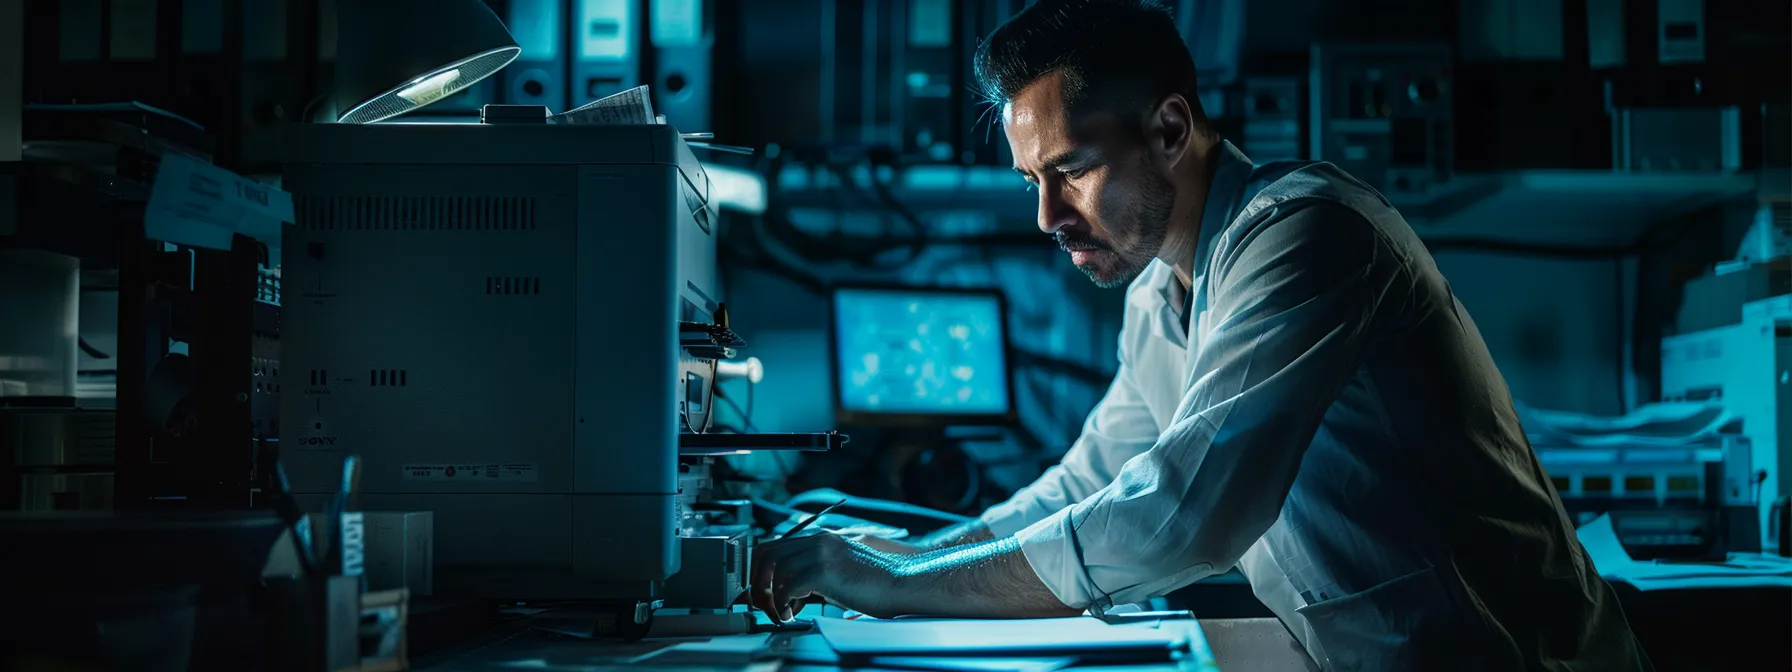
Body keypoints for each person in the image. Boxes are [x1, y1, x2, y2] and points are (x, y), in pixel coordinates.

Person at [751, 0, 1652, 668]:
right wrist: (904, 558)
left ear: (1172, 128)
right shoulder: (1162, 293)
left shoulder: (1306, 234)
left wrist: (892, 586)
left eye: (1070, 171)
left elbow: (1181, 513)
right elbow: (1090, 480)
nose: (1045, 216)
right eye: (1033, 178)